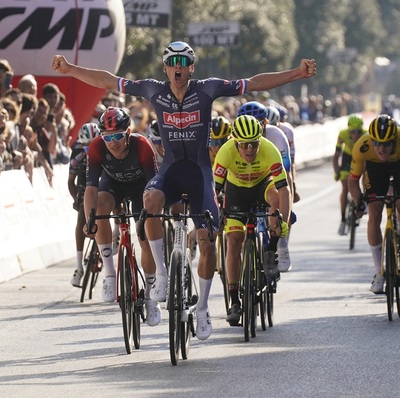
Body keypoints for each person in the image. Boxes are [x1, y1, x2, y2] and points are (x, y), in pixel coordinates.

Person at [52, 40, 316, 340]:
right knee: (149, 200)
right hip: (171, 172)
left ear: (191, 67)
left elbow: (253, 82)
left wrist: (297, 73)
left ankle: (203, 308)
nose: (177, 68)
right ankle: (162, 275)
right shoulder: (153, 90)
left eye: (183, 63)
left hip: (200, 174)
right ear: (165, 68)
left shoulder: (208, 88)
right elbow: (108, 80)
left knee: (206, 243)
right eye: (172, 63)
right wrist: (70, 69)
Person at [82, 107, 161, 327]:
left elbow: (153, 187)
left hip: (140, 188)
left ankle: (151, 297)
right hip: (112, 185)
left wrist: (147, 217)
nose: (112, 142)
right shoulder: (97, 148)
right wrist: (91, 220)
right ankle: (109, 272)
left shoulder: (142, 146)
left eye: (117, 136)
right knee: (99, 207)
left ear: (127, 133)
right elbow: (90, 189)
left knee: (144, 237)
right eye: (107, 137)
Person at [213, 114, 290, 325]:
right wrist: (216, 215)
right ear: (235, 142)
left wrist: (282, 219)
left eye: (254, 144)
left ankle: (271, 249)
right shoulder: (226, 151)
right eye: (244, 145)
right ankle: (235, 299)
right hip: (236, 190)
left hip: (262, 185)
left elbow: (284, 188)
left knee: (275, 202)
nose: (250, 149)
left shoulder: (269, 150)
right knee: (234, 240)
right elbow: (215, 191)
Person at [237, 101, 293, 272]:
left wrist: (287, 203)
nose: (253, 125)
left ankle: (281, 245)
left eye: (258, 122)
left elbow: (286, 172)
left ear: (265, 123)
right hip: (246, 179)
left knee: (278, 205)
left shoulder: (276, 136)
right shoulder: (234, 138)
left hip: (270, 176)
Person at [349, 114, 400, 294]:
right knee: (374, 214)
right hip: (375, 170)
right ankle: (379, 273)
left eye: (386, 144)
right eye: (377, 143)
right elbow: (353, 181)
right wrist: (358, 203)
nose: (381, 148)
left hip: (398, 165)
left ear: (394, 140)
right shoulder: (362, 147)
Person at [68, 122, 101, 287]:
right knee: (82, 216)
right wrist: (77, 199)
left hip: (103, 183)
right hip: (84, 184)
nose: (90, 149)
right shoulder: (78, 153)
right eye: (87, 146)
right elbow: (70, 182)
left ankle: (114, 236)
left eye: (93, 145)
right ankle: (79, 267)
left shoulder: (107, 148)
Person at [334, 113, 366, 235]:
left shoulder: (367, 134)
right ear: (349, 129)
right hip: (348, 159)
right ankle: (343, 220)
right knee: (346, 188)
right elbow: (336, 155)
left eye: (358, 131)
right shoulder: (342, 134)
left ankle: (363, 201)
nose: (356, 135)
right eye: (353, 132)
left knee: (365, 178)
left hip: (361, 158)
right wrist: (337, 171)